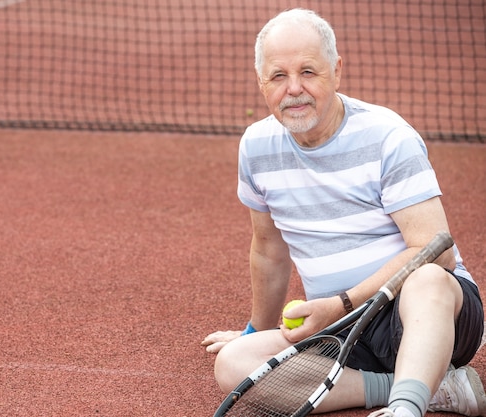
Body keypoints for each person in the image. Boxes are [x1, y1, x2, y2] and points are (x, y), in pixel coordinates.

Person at [201, 8, 486, 417]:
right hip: (342, 331)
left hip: (428, 311)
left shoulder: (388, 136)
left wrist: (340, 304)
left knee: (427, 279)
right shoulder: (257, 146)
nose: (294, 89)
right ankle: (429, 387)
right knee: (233, 364)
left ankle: (405, 408)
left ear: (336, 70)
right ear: (261, 82)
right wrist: (255, 331)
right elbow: (268, 248)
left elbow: (436, 252)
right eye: (278, 76)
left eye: (309, 72)